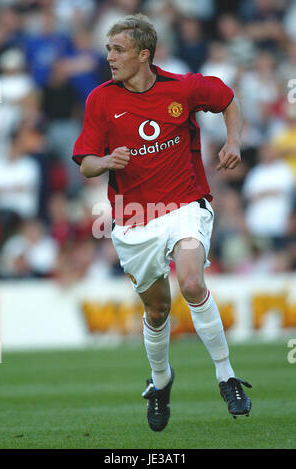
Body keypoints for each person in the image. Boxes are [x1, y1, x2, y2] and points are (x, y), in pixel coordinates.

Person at [72, 13, 252, 432]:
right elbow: (85, 163)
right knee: (157, 310)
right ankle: (160, 381)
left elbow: (227, 99)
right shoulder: (101, 99)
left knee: (191, 283)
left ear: (143, 54)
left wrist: (234, 140)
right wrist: (105, 162)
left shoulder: (183, 88)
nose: (110, 57)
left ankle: (226, 376)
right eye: (108, 50)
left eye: (118, 50)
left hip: (186, 204)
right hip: (134, 220)